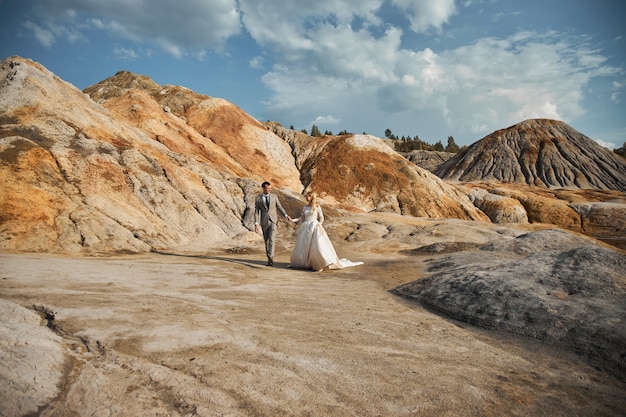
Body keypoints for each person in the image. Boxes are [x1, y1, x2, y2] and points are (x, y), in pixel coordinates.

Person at [289, 191, 363, 271]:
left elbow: (321, 218)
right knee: (304, 246)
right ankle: (306, 262)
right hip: (306, 227)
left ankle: (319, 263)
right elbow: (301, 218)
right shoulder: (305, 207)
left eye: (307, 196)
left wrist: (319, 224)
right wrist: (292, 220)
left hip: (314, 226)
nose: (306, 197)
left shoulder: (317, 207)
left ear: (312, 197)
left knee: (316, 246)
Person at [255, 181, 290, 266]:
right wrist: (256, 223)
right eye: (268, 188)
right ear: (263, 188)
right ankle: (269, 258)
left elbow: (279, 206)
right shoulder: (258, 198)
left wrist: (285, 215)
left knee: (272, 239)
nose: (269, 190)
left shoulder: (274, 196)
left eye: (270, 188)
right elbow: (256, 212)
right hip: (264, 221)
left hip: (274, 221)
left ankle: (271, 257)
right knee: (266, 240)